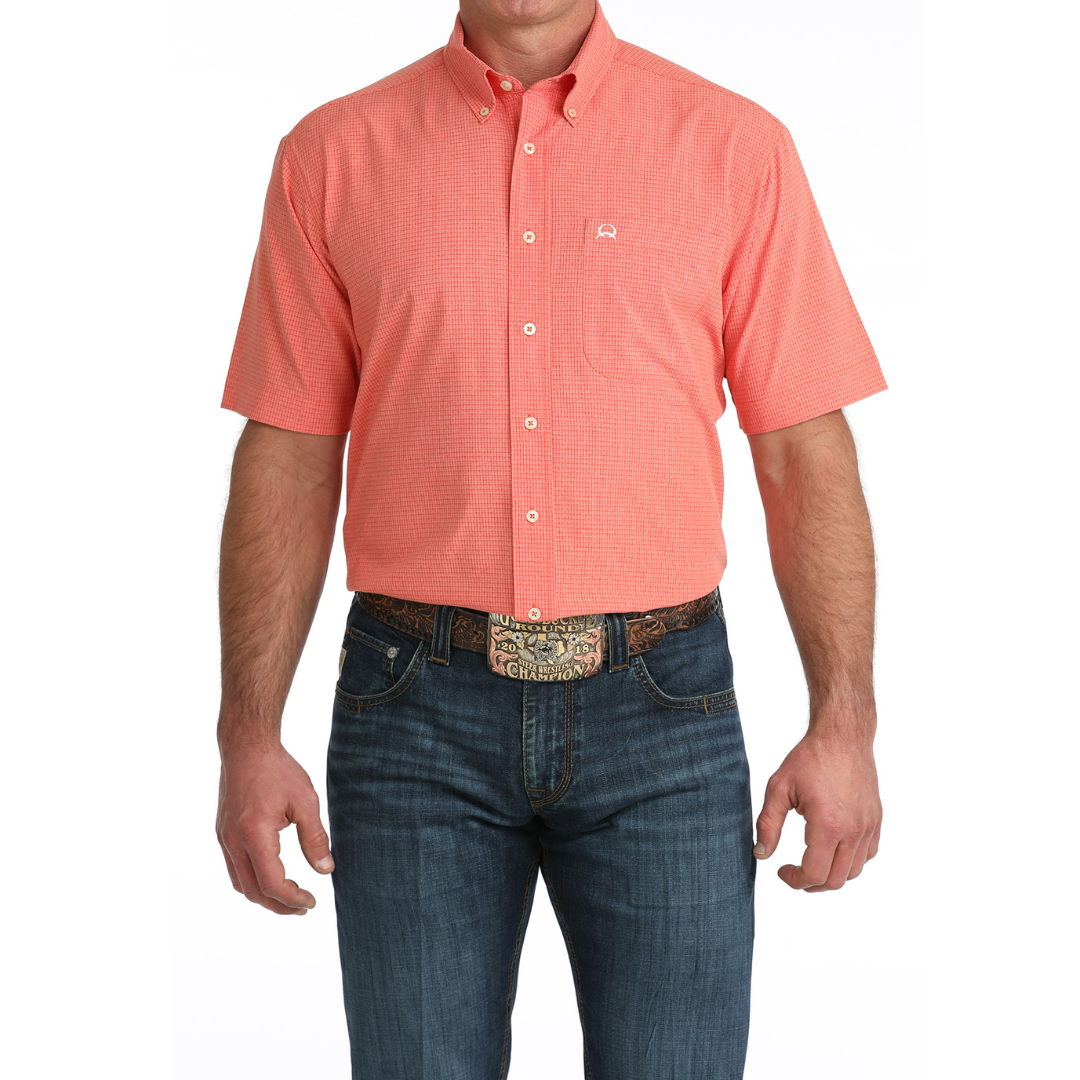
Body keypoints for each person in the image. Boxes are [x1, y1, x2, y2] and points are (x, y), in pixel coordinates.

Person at [214, 0, 886, 1076]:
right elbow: (288, 456)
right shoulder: (331, 157)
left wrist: (844, 723)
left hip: (664, 715)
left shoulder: (735, 148)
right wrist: (247, 734)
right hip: (413, 716)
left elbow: (806, 453)